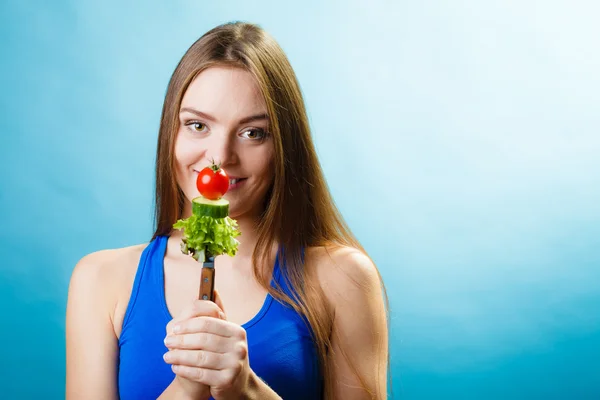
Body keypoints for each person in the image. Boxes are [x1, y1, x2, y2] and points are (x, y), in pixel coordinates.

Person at [66, 21, 390, 400]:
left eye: (253, 132)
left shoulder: (343, 280)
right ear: (171, 132)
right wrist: (188, 387)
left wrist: (245, 389)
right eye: (197, 125)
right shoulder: (100, 281)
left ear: (285, 146)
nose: (220, 158)